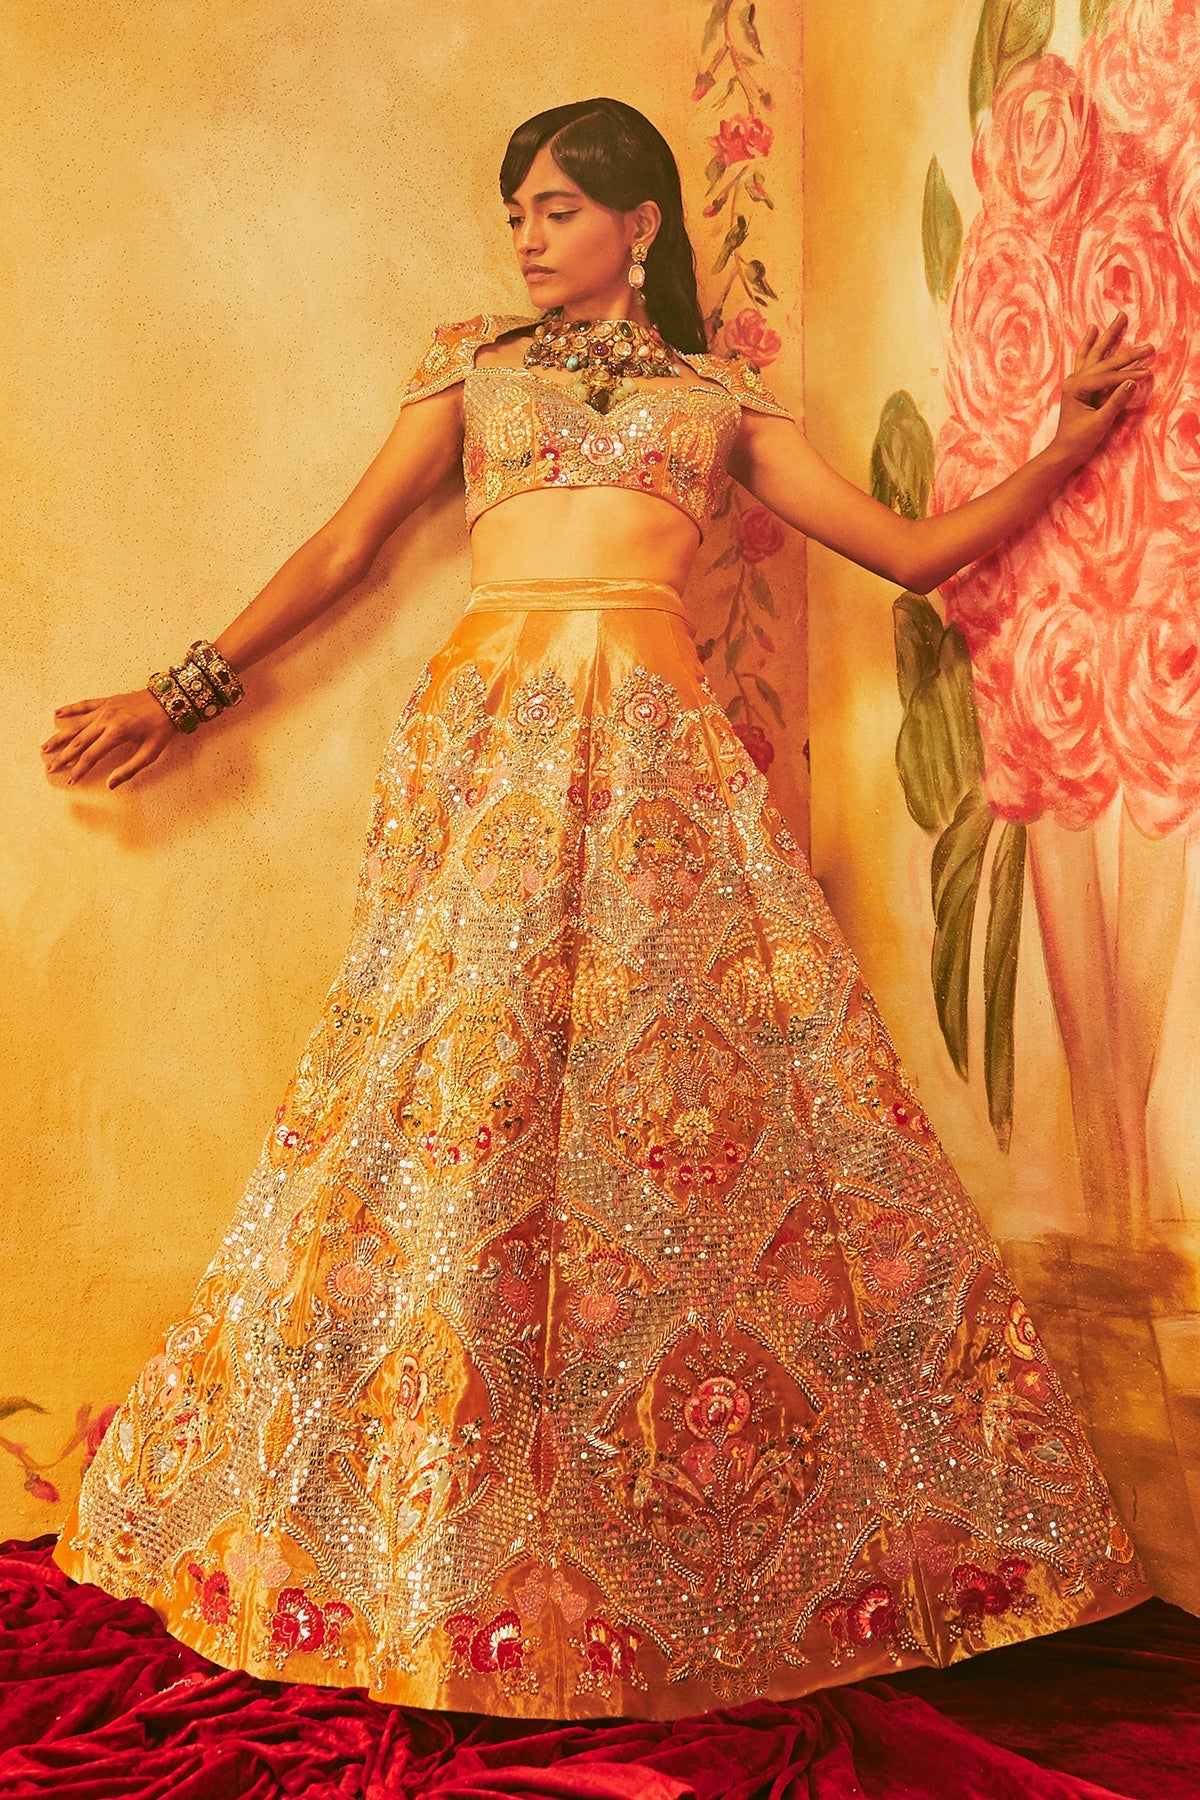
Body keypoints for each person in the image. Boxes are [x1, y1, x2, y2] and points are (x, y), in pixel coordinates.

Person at [43, 98, 1155, 1722]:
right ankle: (429, 1540)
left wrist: (1061, 443)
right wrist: (182, 689)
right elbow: (348, 546)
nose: (527, 235)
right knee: (451, 1110)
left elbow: (914, 556)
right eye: (517, 210)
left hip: (657, 774)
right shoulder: (471, 368)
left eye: (558, 207)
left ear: (641, 228)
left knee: (683, 1133)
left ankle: (651, 1549)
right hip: (491, 752)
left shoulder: (722, 405)